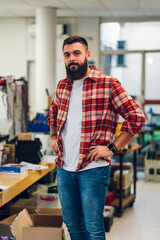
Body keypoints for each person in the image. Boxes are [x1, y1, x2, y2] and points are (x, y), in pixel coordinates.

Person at [47, 36, 146, 240]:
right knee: (73, 225)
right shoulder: (63, 85)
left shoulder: (108, 84)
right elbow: (53, 112)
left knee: (93, 228)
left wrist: (112, 147)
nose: (72, 59)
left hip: (92, 169)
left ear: (87, 55)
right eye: (67, 55)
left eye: (77, 53)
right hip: (64, 168)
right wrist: (52, 136)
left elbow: (136, 116)